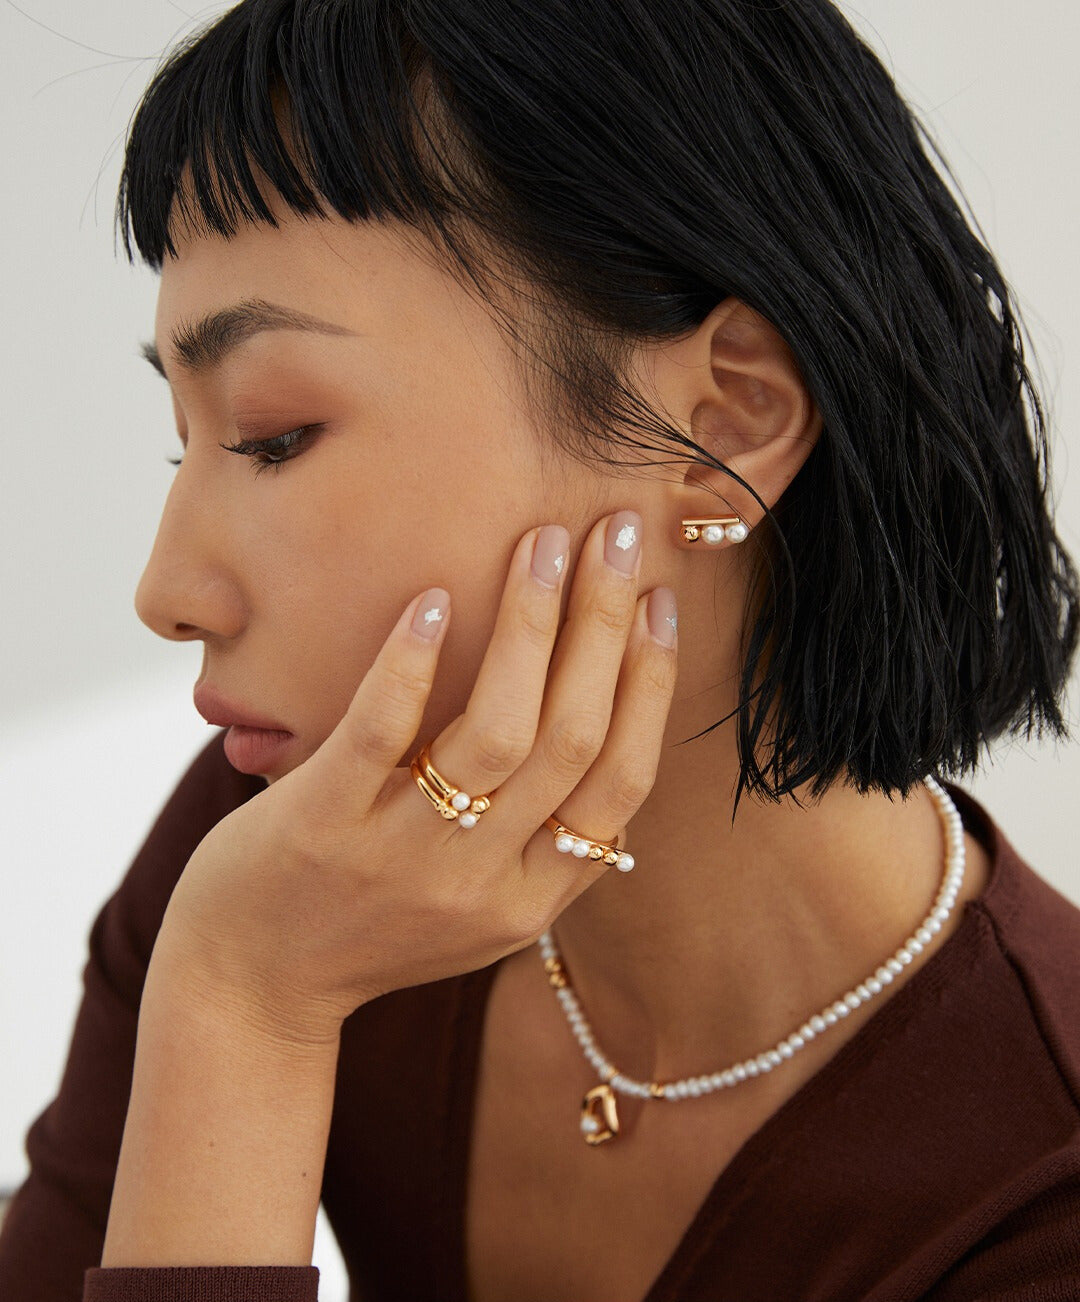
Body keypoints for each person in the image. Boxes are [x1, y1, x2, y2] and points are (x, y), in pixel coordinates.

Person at [1, 0, 1079, 1298]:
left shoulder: (1038, 1192)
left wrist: (247, 999)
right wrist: (241, 1004)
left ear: (727, 422)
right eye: (188, 441)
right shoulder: (299, 866)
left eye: (274, 435)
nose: (167, 592)